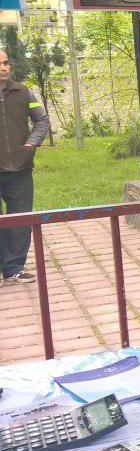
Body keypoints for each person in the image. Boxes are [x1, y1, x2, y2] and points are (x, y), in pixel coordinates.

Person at [0, 49, 49, 284]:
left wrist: (32, 142)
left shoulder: (24, 91)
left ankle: (13, 267)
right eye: (0, 64)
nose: (4, 68)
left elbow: (42, 120)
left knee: (20, 218)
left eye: (6, 63)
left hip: (20, 167)